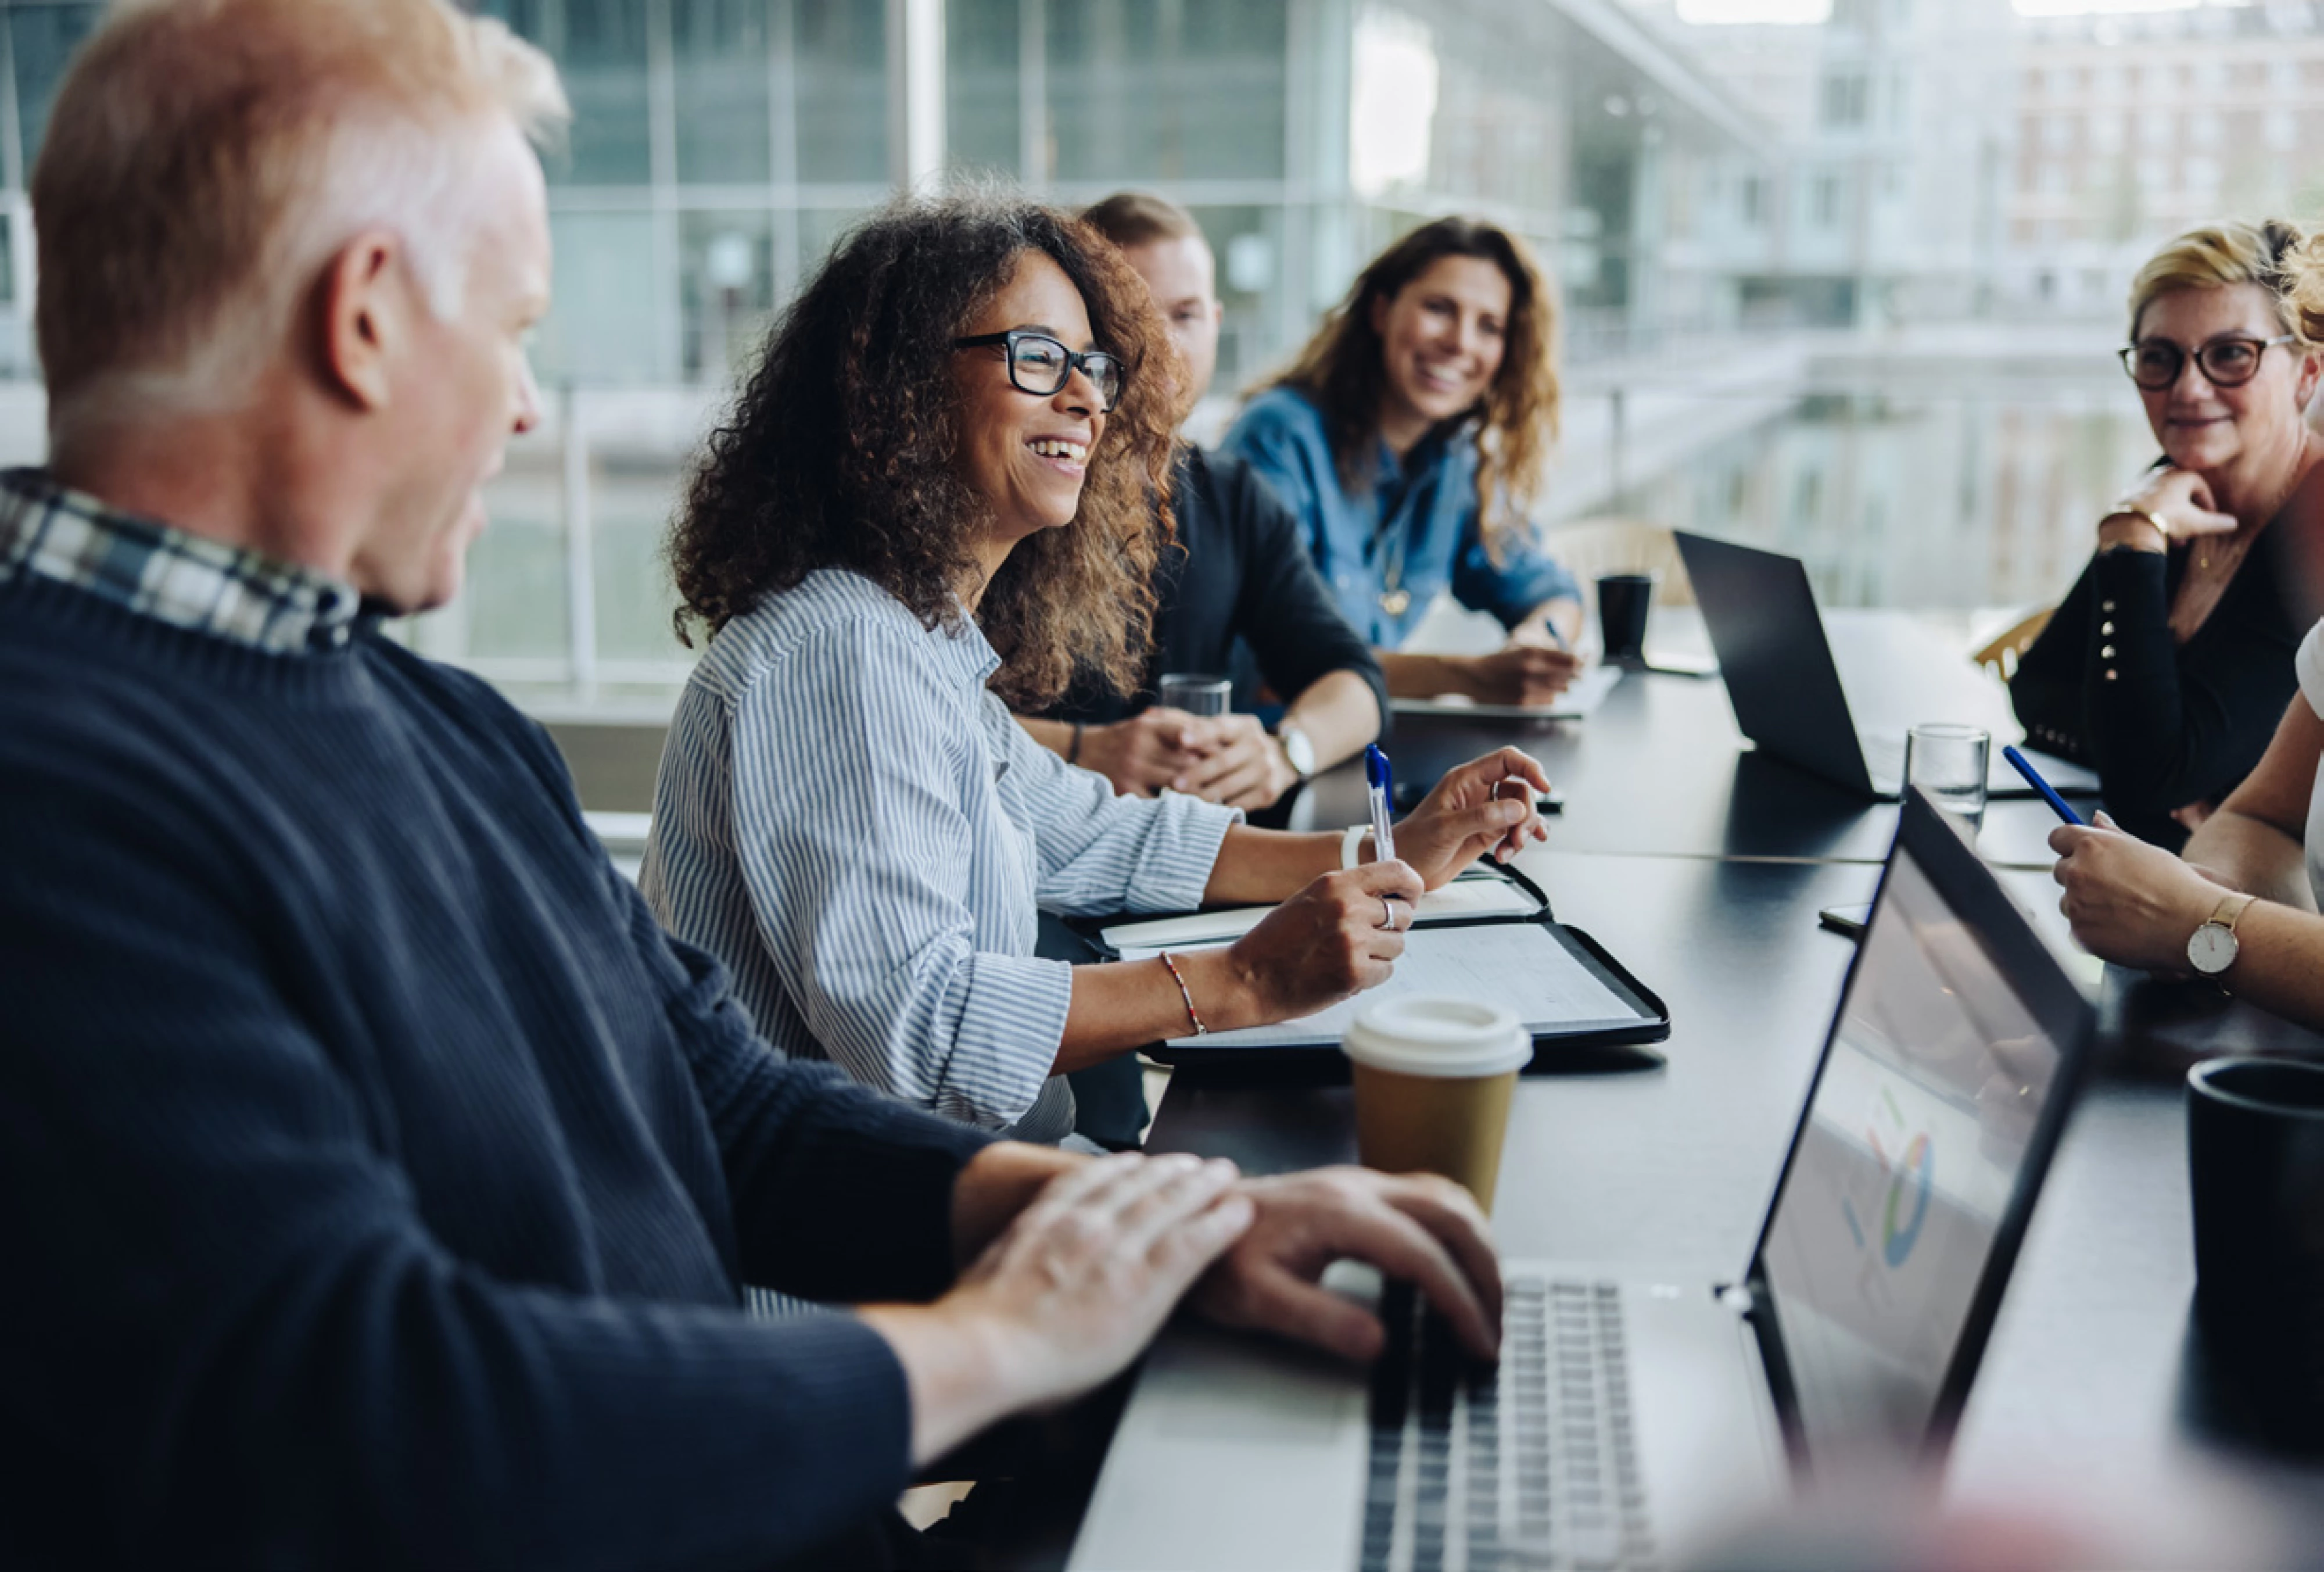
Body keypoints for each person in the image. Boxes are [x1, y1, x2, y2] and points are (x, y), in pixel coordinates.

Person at [0, 5, 1508, 1565]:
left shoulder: (436, 720)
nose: (526, 406)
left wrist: (1129, 1231)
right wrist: (1011, 1340)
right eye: (518, 328)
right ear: (366, 315)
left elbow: (722, 1099)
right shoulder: (52, 800)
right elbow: (387, 1416)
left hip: (759, 1456)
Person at [644, 193, 1554, 1148]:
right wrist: (1244, 980)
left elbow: (1098, 838)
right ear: (896, 387)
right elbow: (923, 1035)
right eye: (1037, 357)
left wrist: (1390, 852)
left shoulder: (911, 637)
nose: (1085, 397)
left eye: (1092, 366)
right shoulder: (839, 651)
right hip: (864, 1266)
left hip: (966, 1189)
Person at [1016, 192, 1385, 814]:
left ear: (1216, 323)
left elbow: (1354, 680)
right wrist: (1082, 749)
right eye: (1128, 316)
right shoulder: (1019, 486)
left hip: (1194, 867)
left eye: (1183, 315)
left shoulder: (1233, 496)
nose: (1159, 344)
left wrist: (1284, 751)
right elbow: (921, 706)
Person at [2011, 220, 2320, 848]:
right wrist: (2157, 755)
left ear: (2306, 375)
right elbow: (2036, 688)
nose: (2188, 388)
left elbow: (2145, 778)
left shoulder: (2312, 527)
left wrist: (2130, 542)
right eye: (2159, 357)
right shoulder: (2170, 490)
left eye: (2232, 353)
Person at [1220, 216, 1585, 707]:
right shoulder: (1280, 437)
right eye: (1439, 309)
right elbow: (1272, 668)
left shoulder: (1457, 460)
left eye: (1489, 326)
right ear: (1380, 312)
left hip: (1366, 747)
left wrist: (1538, 644)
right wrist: (1469, 676)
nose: (1461, 343)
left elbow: (1550, 591)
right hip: (1265, 753)